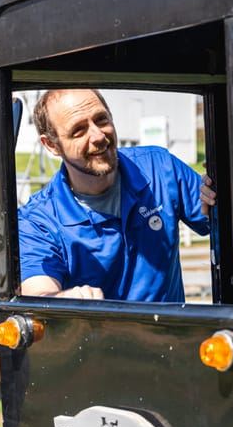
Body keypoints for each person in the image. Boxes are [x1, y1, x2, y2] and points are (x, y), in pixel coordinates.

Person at [18, 88, 216, 301]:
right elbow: (38, 294)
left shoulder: (159, 167)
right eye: (79, 130)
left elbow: (227, 222)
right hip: (95, 334)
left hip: (170, 333)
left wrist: (217, 200)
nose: (98, 136)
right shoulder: (38, 221)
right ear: (51, 145)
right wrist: (64, 298)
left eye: (101, 120)